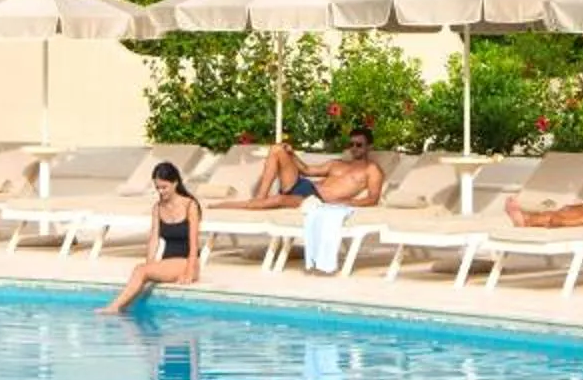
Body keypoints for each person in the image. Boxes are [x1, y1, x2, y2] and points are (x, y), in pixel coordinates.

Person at [101, 161, 204, 312]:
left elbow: (194, 242)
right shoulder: (158, 207)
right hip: (168, 263)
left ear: (175, 183)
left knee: (140, 270)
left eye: (164, 187)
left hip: (187, 262)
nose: (161, 192)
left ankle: (114, 308)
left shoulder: (190, 205)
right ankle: (118, 307)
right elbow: (154, 239)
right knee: (142, 269)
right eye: (158, 188)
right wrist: (149, 265)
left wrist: (189, 272)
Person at [225, 128, 386, 211]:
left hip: (315, 200)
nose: (354, 148)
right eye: (351, 144)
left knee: (279, 200)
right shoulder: (337, 163)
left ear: (369, 147)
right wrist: (292, 154)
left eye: (359, 145)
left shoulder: (372, 169)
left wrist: (346, 203)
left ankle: (223, 206)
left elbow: (373, 199)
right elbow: (307, 170)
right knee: (277, 149)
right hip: (304, 186)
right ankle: (260, 196)